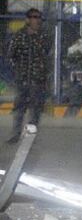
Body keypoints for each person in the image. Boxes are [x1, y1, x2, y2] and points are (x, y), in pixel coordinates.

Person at [6, 8, 50, 143]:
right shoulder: (19, 36)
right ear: (27, 19)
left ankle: (30, 136)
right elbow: (11, 54)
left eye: (38, 18)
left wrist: (43, 72)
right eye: (34, 17)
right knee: (19, 108)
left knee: (35, 110)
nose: (37, 20)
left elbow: (46, 52)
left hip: (38, 79)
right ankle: (16, 134)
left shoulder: (43, 36)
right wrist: (18, 70)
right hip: (23, 79)